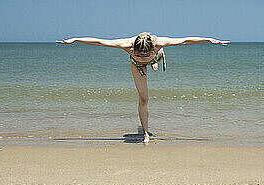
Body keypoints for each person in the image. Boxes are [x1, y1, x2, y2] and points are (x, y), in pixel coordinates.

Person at [56, 32, 230, 143]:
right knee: (144, 99)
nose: (143, 56)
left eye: (146, 54)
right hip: (137, 66)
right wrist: (76, 39)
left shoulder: (159, 43)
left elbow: (185, 41)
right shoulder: (126, 45)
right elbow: (100, 42)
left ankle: (156, 61)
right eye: (140, 54)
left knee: (159, 56)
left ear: (152, 47)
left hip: (157, 56)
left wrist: (209, 40)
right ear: (133, 49)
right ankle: (146, 133)